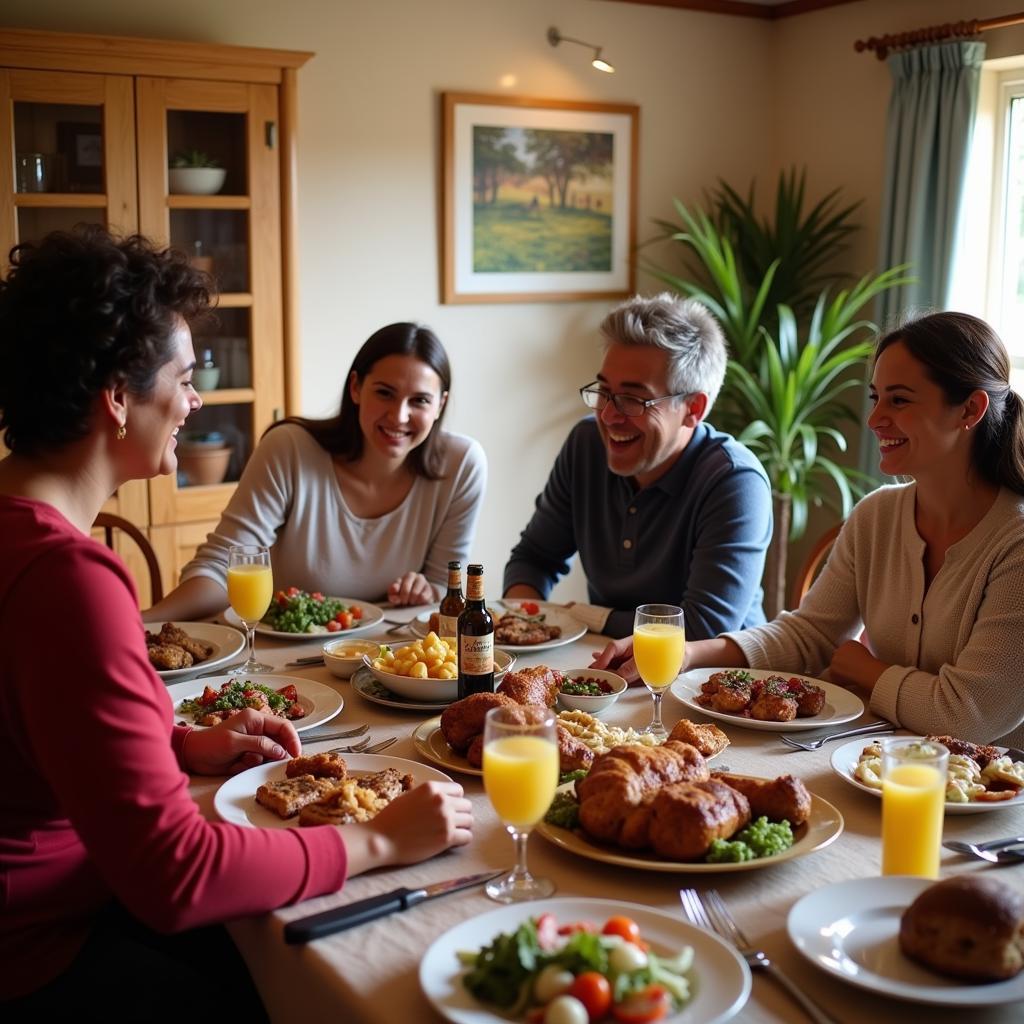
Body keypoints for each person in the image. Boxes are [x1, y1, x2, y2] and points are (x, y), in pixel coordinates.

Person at [0, 228, 473, 1014]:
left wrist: (180, 745)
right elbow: (176, 876)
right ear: (118, 396)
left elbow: (40, 738)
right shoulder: (68, 579)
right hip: (38, 948)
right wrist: (377, 840)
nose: (193, 402)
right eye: (184, 381)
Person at [595, 311, 1024, 748]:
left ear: (969, 409)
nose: (875, 419)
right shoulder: (876, 515)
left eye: (899, 400)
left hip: (995, 796)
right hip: (880, 766)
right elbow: (811, 635)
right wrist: (688, 654)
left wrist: (867, 670)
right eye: (875, 398)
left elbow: (967, 714)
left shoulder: (1016, 544)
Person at [147, 321, 486, 621]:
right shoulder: (290, 449)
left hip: (394, 661)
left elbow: (446, 588)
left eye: (420, 401)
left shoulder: (462, 465)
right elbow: (224, 567)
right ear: (356, 388)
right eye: (385, 393)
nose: (399, 416)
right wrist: (144, 622)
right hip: (288, 662)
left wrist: (425, 589)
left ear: (440, 404)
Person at [503, 292, 773, 640]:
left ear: (693, 408)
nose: (608, 415)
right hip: (608, 670)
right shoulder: (586, 445)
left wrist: (588, 617)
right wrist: (520, 627)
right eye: (604, 391)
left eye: (633, 399)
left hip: (710, 684)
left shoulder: (735, 481)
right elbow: (535, 558)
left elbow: (701, 629)